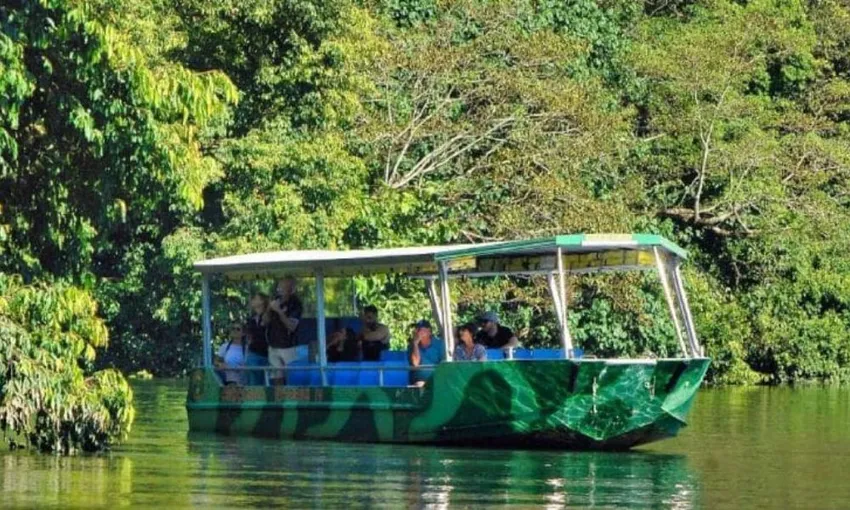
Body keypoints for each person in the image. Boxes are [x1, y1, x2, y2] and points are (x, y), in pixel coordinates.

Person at [266, 276, 303, 385]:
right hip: (273, 346)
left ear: (291, 290)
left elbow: (291, 326)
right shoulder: (275, 301)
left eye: (283, 288)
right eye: (279, 288)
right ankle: (279, 400)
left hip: (288, 347)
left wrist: (278, 311)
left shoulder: (295, 304)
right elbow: (264, 321)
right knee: (276, 377)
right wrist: (269, 308)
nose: (279, 291)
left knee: (291, 377)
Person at [407, 320, 445, 387]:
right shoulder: (411, 346)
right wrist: (415, 344)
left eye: (421, 330)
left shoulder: (439, 344)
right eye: (417, 330)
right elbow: (415, 363)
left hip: (436, 381)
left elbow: (444, 365)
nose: (418, 332)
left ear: (429, 332)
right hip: (417, 382)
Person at [244, 293, 270, 386]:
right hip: (254, 353)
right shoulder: (251, 319)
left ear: (262, 301)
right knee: (253, 382)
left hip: (267, 353)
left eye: (255, 298)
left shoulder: (269, 316)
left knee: (266, 382)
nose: (252, 300)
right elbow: (249, 338)